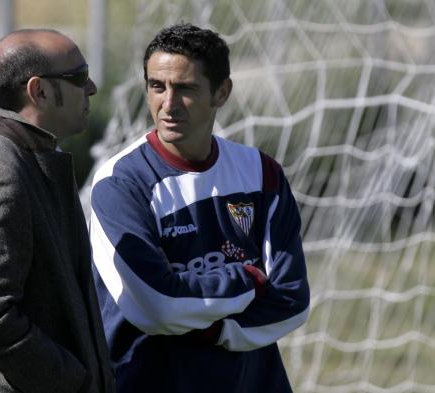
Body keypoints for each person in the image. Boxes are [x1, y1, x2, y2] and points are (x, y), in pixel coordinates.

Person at [89, 23, 310, 393]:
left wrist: (213, 325)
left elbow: (292, 299)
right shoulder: (121, 182)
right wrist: (251, 279)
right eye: (157, 86)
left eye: (186, 88)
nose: (168, 104)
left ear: (222, 92)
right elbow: (156, 304)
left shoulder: (261, 173)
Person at [0, 29, 115, 393]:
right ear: (40, 91)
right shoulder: (0, 177)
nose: (92, 87)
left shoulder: (26, 161)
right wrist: (71, 378)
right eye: (78, 77)